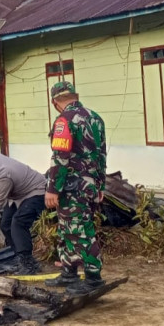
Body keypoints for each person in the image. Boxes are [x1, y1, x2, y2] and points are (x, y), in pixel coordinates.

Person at [43, 81, 107, 295]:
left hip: (72, 186)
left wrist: (52, 188)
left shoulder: (64, 121)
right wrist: (101, 185)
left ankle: (93, 277)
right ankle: (68, 272)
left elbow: (60, 157)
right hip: (89, 185)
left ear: (55, 102)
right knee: (66, 229)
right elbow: (101, 155)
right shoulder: (96, 118)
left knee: (80, 231)